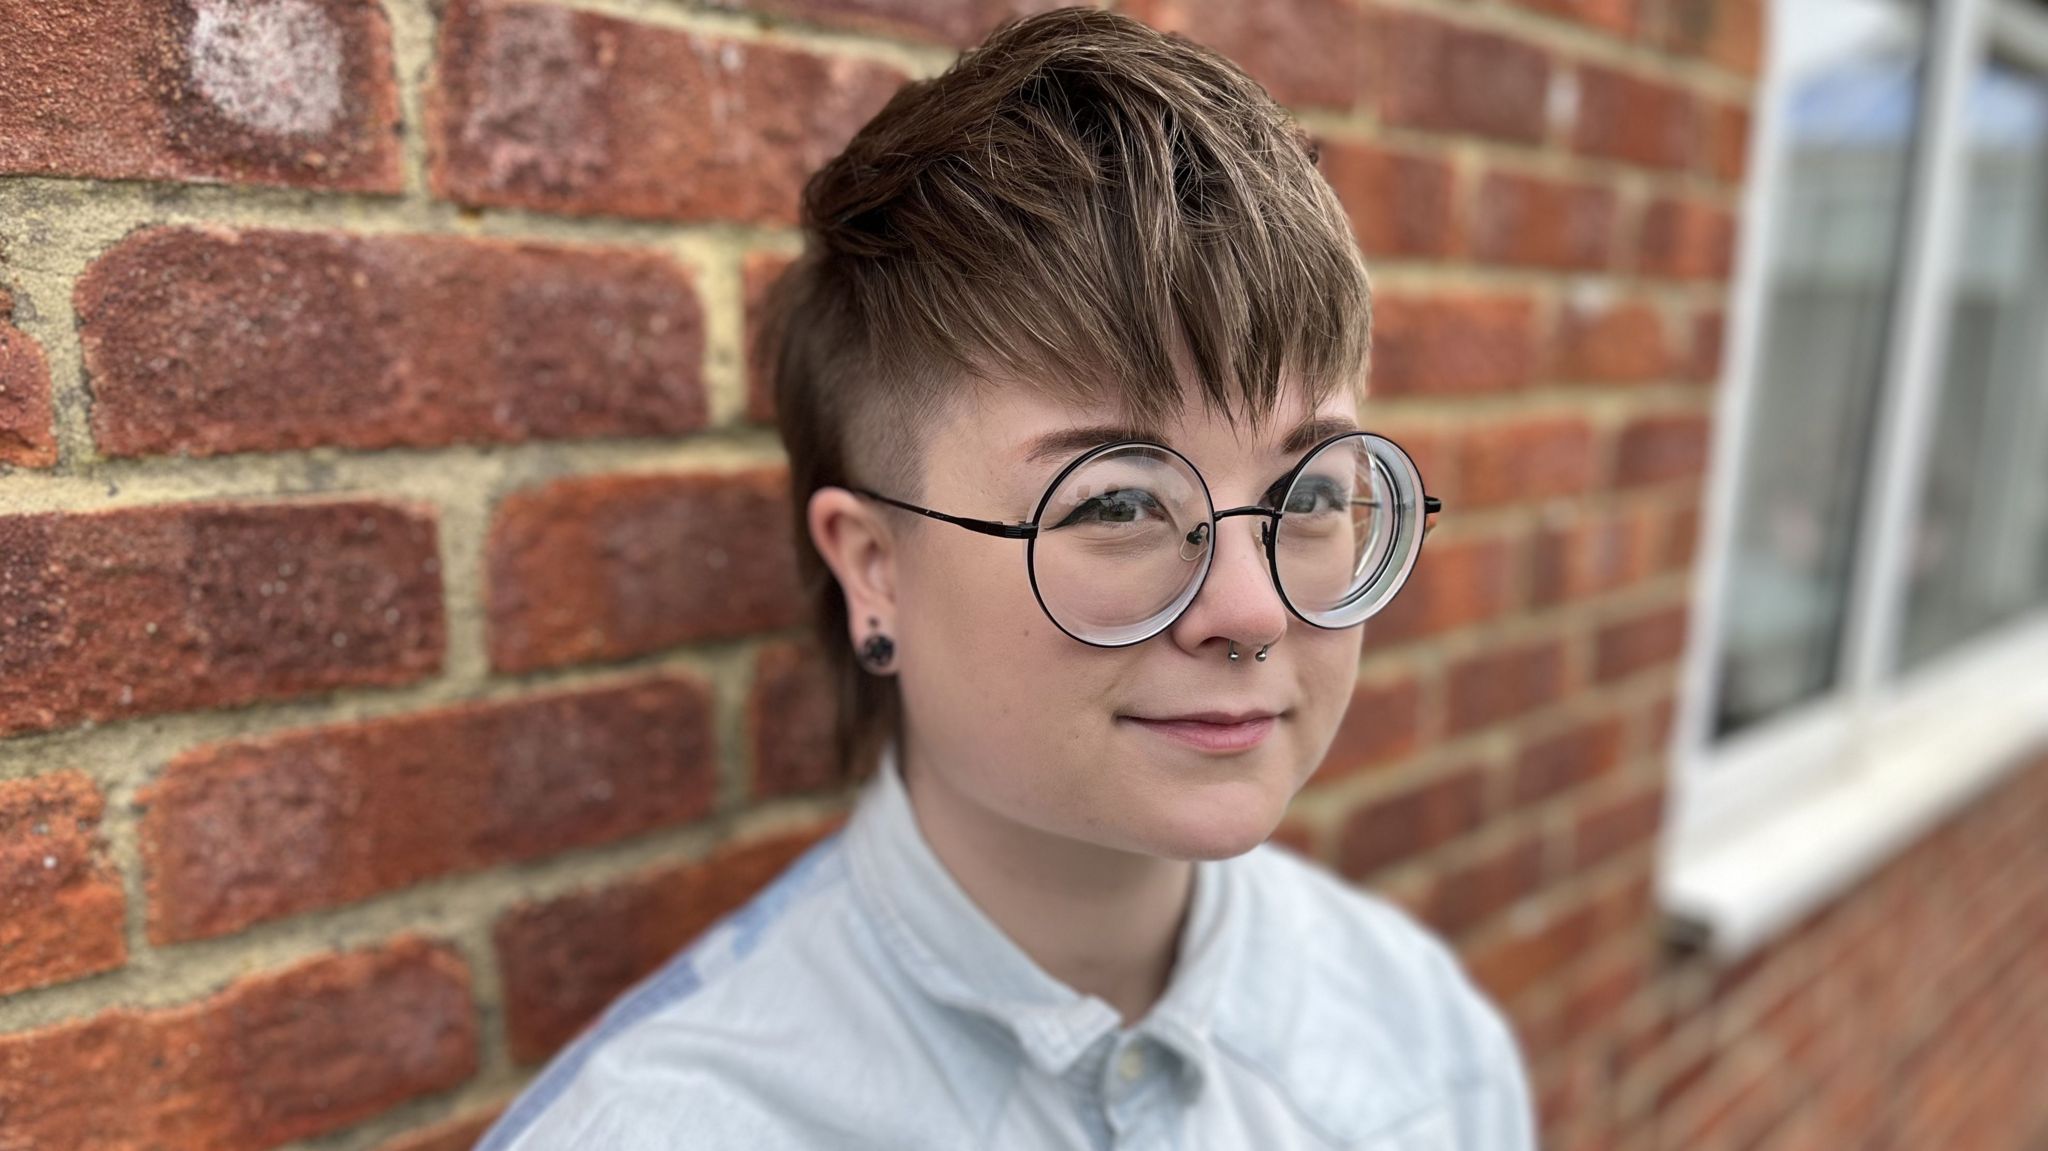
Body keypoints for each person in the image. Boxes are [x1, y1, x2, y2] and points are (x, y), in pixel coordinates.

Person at [477, 7, 1537, 1149]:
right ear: (873, 568)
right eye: (1118, 503)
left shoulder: (1418, 1038)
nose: (1253, 608)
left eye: (1312, 495)